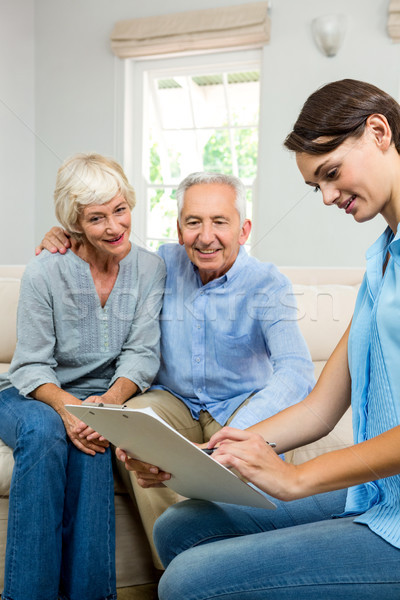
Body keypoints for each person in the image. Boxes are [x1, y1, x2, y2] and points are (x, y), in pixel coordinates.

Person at [152, 79, 400, 599]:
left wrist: (298, 480)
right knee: (180, 526)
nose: (328, 196)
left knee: (186, 583)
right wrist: (209, 454)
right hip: (380, 494)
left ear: (379, 132)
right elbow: (318, 410)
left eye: (331, 174)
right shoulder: (382, 261)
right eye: (317, 186)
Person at [38, 171, 315, 567]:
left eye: (220, 221)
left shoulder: (268, 284)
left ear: (244, 229)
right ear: (179, 229)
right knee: (129, 422)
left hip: (240, 405)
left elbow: (296, 372)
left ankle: (233, 573)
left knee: (245, 459)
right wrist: (64, 236)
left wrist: (243, 432)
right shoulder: (159, 264)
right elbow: (105, 241)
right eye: (193, 222)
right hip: (175, 400)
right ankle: (177, 569)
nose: (206, 236)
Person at [0, 153, 165, 600]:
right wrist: (69, 411)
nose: (114, 226)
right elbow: (31, 365)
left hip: (100, 397)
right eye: (97, 217)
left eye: (120, 209)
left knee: (93, 446)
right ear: (74, 223)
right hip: (32, 394)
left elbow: (142, 353)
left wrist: (106, 406)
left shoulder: (151, 268)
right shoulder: (45, 270)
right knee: (45, 432)